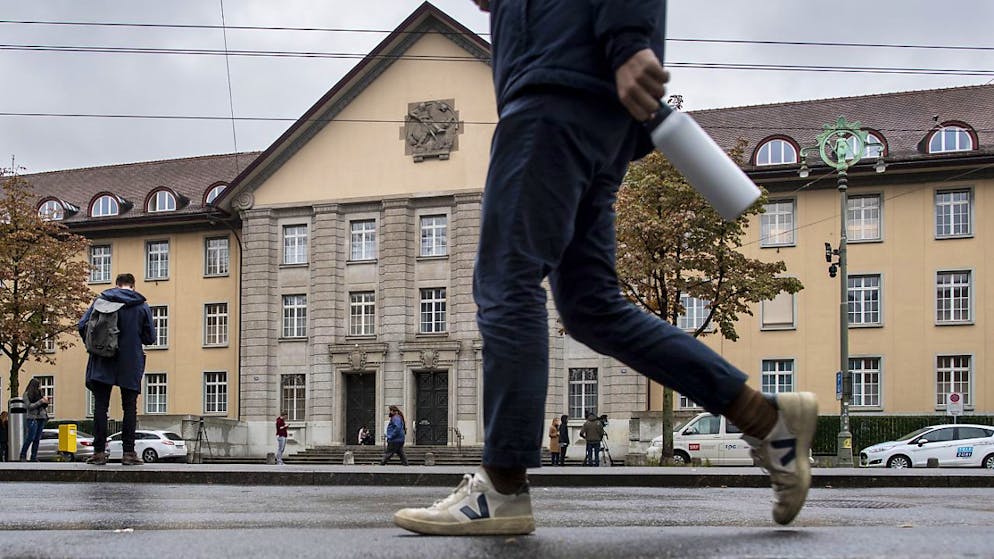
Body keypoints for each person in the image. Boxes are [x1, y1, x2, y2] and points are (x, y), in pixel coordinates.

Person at [392, 0, 817, 536]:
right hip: (589, 105)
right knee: (591, 307)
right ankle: (766, 419)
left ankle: (501, 489)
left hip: (556, 92)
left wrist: (629, 40)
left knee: (506, 280)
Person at [78, 273, 155, 466]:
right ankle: (128, 453)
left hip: (103, 359)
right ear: (133, 286)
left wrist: (95, 345)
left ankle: (98, 453)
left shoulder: (102, 301)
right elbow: (150, 338)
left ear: (117, 285)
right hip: (130, 361)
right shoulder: (141, 305)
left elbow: (82, 325)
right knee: (129, 407)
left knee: (100, 407)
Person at [18, 378, 49, 462]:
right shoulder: (27, 394)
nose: (39, 387)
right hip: (32, 418)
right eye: (38, 385)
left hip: (41, 417)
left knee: (37, 439)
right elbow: (29, 406)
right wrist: (40, 401)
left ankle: (33, 456)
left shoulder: (40, 393)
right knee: (30, 437)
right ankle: (23, 455)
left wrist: (45, 402)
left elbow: (43, 406)